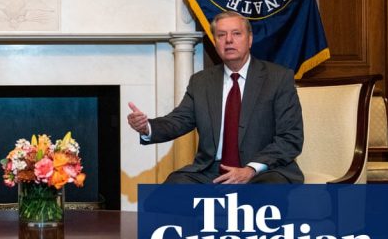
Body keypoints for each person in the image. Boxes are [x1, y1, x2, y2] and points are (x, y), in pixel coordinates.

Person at [127, 11, 304, 184]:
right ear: (215, 42)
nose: (229, 40)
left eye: (236, 33)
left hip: (263, 171)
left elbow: (290, 137)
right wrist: (146, 127)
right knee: (173, 188)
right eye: (221, 35)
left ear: (249, 39)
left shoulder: (278, 78)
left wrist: (251, 169)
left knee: (268, 189)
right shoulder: (201, 82)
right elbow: (178, 120)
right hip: (211, 172)